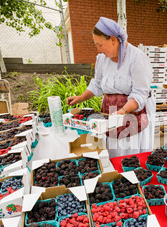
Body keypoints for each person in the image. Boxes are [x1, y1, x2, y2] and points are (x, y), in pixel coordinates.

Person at [66, 17, 154, 158]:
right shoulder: (102, 59)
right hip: (110, 112)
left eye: (99, 44)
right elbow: (97, 84)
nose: (98, 49)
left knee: (128, 152)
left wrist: (123, 110)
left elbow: (140, 94)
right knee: (112, 150)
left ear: (113, 40)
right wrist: (80, 98)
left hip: (131, 114)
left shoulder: (137, 58)